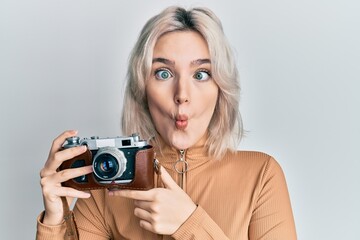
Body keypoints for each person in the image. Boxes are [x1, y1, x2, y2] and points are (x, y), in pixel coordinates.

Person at [37, 6, 297, 240]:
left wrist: (189, 224)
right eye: (164, 73)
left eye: (201, 74)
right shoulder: (104, 184)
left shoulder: (261, 175)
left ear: (221, 89)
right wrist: (54, 222)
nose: (182, 94)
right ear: (142, 88)